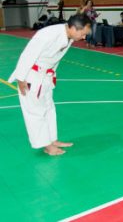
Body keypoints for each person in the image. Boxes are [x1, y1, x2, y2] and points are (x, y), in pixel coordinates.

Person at [8, 14, 92, 156]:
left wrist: (52, 74)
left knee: (48, 108)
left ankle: (52, 139)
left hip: (45, 76)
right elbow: (27, 54)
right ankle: (46, 146)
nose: (84, 38)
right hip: (31, 76)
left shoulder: (69, 36)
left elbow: (54, 58)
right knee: (35, 112)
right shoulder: (47, 34)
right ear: (73, 28)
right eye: (83, 34)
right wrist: (21, 79)